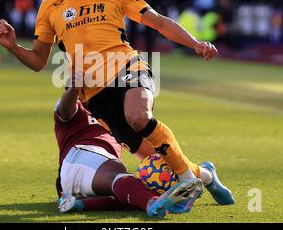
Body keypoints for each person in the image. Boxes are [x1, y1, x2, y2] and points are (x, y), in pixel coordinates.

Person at [0, 0, 233, 210]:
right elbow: (38, 60)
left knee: (139, 117)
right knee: (153, 157)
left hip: (127, 67)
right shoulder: (50, 6)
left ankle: (187, 180)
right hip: (95, 94)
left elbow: (160, 22)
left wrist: (196, 44)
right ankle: (207, 175)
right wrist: (14, 47)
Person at [53, 76, 203, 217]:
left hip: (95, 179)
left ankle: (79, 204)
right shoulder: (77, 109)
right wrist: (73, 88)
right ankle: (153, 202)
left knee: (132, 193)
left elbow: (156, 151)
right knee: (120, 176)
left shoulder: (116, 115)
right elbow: (65, 110)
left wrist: (198, 174)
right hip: (79, 159)